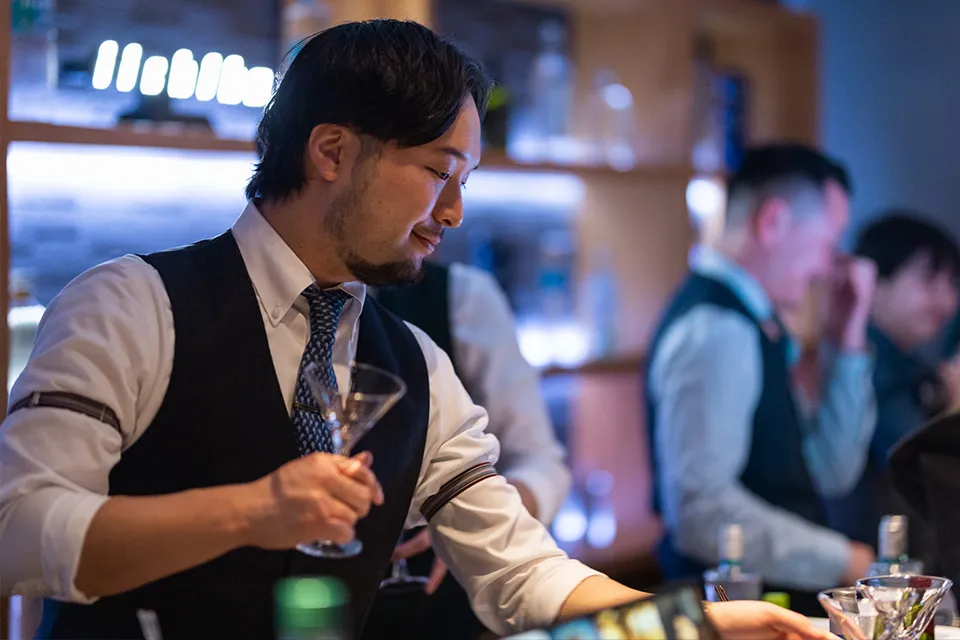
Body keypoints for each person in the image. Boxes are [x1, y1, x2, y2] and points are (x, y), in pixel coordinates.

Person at [0, 20, 835, 640]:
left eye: (463, 179)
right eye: (439, 172)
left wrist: (695, 624)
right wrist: (252, 511)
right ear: (332, 152)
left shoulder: (419, 365)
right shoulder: (129, 304)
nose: (455, 212)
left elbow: (523, 573)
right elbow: (20, 530)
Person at [645, 143, 878, 615]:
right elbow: (701, 512)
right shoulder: (719, 328)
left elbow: (826, 472)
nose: (826, 268)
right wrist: (844, 560)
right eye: (827, 243)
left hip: (764, 607)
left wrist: (846, 341)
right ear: (772, 222)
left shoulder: (757, 325)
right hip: (734, 612)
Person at [369, 261, 571, 639]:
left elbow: (541, 461)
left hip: (440, 616)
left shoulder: (459, 301)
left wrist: (474, 521)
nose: (448, 225)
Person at [825, 214, 960, 562]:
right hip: (866, 566)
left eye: (952, 283)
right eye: (929, 280)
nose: (946, 299)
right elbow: (918, 461)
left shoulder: (912, 368)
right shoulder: (867, 365)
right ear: (874, 282)